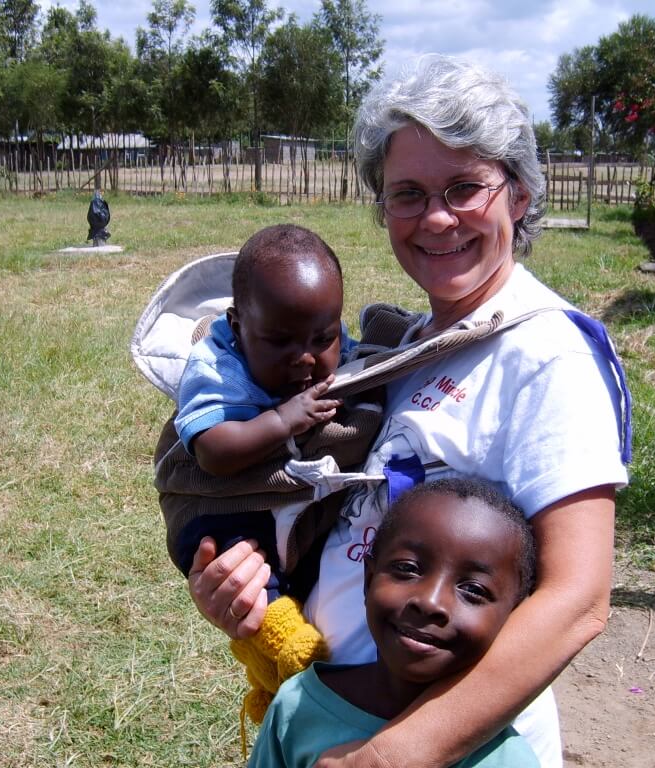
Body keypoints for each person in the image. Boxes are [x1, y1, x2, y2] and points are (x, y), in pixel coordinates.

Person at [184, 54, 631, 768]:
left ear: (517, 194)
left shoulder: (546, 354)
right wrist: (244, 591)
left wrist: (390, 757)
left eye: (465, 188)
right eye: (408, 194)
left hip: (444, 747)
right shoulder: (410, 346)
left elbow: (578, 600)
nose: (437, 218)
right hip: (331, 712)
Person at [174, 223, 360, 720]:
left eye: (324, 337)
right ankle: (279, 650)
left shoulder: (324, 344)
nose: (305, 357)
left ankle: (270, 685)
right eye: (279, 340)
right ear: (237, 326)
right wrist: (282, 419)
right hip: (223, 507)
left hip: (288, 506)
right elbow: (211, 451)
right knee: (241, 559)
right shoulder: (215, 366)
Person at [247, 477, 540, 768]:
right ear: (369, 578)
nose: (430, 602)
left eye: (473, 590)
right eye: (407, 569)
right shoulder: (300, 705)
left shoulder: (508, 759)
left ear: (513, 617)